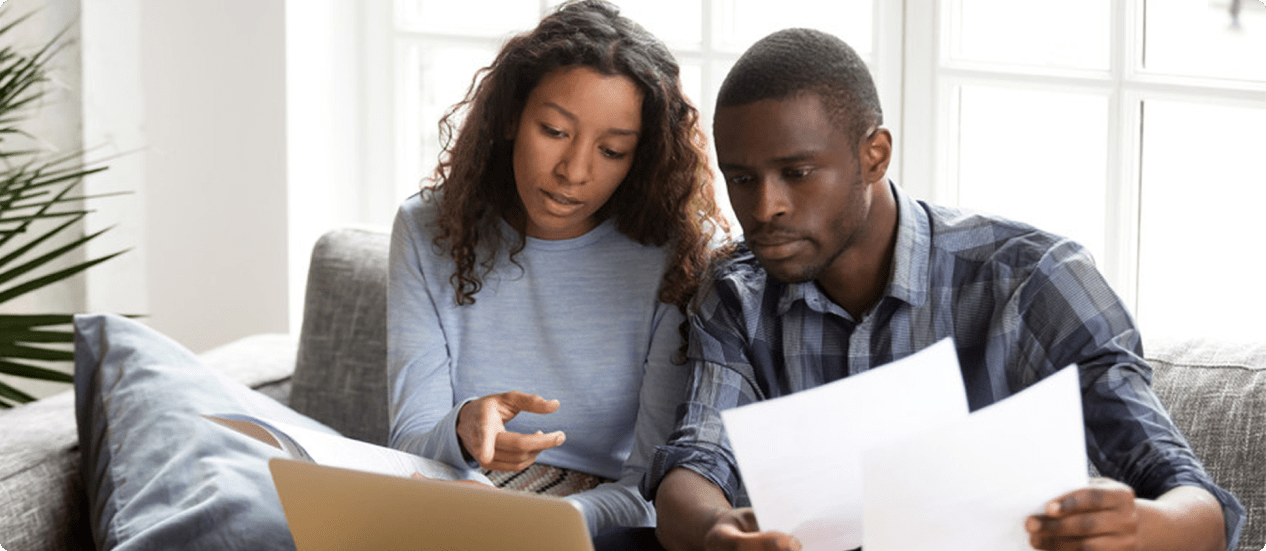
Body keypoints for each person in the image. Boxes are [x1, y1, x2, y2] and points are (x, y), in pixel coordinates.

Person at [640, 28, 1245, 551]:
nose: (765, 206)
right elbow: (696, 462)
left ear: (874, 155)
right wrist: (716, 530)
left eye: (797, 174)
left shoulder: (1034, 280)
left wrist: (1149, 528)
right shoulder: (737, 293)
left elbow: (1195, 503)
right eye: (742, 178)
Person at [386, 0, 726, 543]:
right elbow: (407, 445)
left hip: (598, 525)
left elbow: (655, 489)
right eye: (554, 130)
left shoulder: (676, 255)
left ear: (641, 158)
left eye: (612, 150)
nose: (574, 172)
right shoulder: (427, 229)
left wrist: (545, 521)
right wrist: (462, 427)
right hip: (454, 500)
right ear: (510, 119)